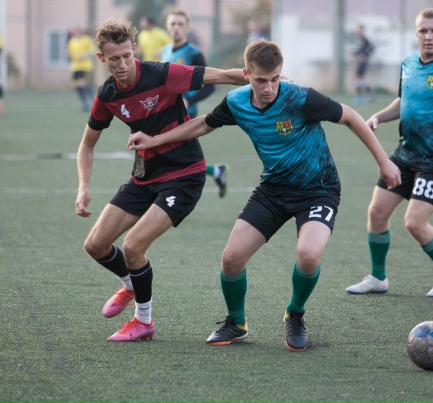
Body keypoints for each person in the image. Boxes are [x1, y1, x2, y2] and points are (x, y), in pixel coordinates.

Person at [127, 40, 402, 351]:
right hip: (273, 189)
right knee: (231, 259)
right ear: (246, 75)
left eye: (275, 79)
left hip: (318, 189)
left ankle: (295, 314)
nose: (269, 87)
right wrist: (155, 140)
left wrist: (384, 161)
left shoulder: (300, 98)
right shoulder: (236, 102)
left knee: (308, 255)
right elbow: (203, 124)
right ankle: (236, 323)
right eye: (261, 80)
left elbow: (350, 115)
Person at [75, 18, 248, 342]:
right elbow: (87, 145)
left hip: (183, 175)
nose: (122, 64)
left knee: (132, 247)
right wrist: (83, 186)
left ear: (134, 49)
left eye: (127, 56)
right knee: (95, 245)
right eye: (114, 59)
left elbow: (224, 76)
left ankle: (143, 322)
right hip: (144, 177)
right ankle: (130, 284)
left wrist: (269, 81)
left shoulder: (163, 74)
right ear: (101, 58)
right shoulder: (108, 94)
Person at [346, 8, 433, 298]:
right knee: (377, 213)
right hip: (404, 155)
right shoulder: (408, 63)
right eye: (423, 31)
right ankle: (378, 278)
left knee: (414, 223)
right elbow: (404, 100)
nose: (429, 36)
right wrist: (379, 117)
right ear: (416, 34)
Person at [161, 9, 229, 198]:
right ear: (168, 27)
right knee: (175, 155)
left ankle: (170, 195)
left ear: (187, 28)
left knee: (171, 154)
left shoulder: (194, 54)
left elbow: (210, 87)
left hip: (186, 112)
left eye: (180, 24)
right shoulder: (165, 51)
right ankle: (216, 171)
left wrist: (189, 100)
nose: (176, 28)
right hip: (167, 111)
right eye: (173, 23)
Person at [67, 27, 96, 111]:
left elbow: (93, 52)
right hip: (75, 66)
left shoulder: (87, 40)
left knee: (82, 83)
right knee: (76, 85)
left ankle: (94, 98)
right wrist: (69, 55)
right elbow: (69, 53)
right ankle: (85, 103)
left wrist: (84, 56)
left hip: (85, 66)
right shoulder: (72, 41)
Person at [352, 25, 375, 105]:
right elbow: (359, 49)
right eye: (357, 30)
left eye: (360, 30)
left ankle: (362, 96)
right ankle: (367, 95)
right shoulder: (358, 39)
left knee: (358, 78)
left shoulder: (364, 39)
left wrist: (365, 55)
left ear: (362, 30)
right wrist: (354, 52)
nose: (358, 31)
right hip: (359, 61)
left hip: (362, 62)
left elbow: (371, 48)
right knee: (360, 79)